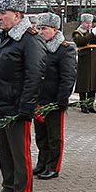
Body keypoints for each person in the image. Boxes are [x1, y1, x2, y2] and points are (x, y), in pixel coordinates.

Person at [0, 0, 45, 192]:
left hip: (16, 108)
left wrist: (25, 108)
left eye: (3, 13)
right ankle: (8, 189)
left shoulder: (29, 39)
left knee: (20, 155)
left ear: (17, 15)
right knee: (4, 152)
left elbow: (34, 76)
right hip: (0, 105)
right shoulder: (3, 37)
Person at [30, 13, 77, 180]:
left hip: (54, 100)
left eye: (44, 29)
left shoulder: (64, 49)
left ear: (55, 30)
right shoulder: (38, 47)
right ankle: (42, 163)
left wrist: (61, 100)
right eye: (39, 28)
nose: (40, 32)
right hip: (39, 99)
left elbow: (68, 77)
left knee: (54, 136)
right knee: (41, 135)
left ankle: (53, 166)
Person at [72, 13, 96, 113]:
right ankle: (83, 106)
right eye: (87, 23)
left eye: (90, 23)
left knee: (93, 84)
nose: (89, 25)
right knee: (84, 84)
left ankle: (91, 105)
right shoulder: (77, 32)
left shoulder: (94, 32)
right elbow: (80, 42)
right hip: (84, 61)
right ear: (82, 23)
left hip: (95, 61)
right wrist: (91, 34)